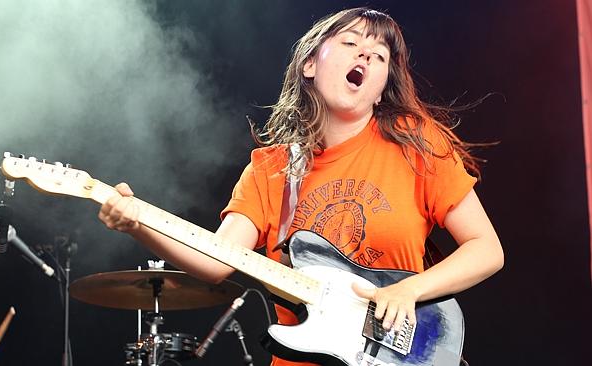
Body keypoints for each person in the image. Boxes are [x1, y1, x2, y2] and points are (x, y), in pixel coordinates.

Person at [98, 7, 504, 366]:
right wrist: (137, 223)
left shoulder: (414, 142)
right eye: (350, 42)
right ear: (309, 64)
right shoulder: (270, 170)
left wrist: (409, 291)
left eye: (379, 55)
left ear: (381, 89)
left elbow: (486, 250)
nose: (365, 53)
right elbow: (217, 262)